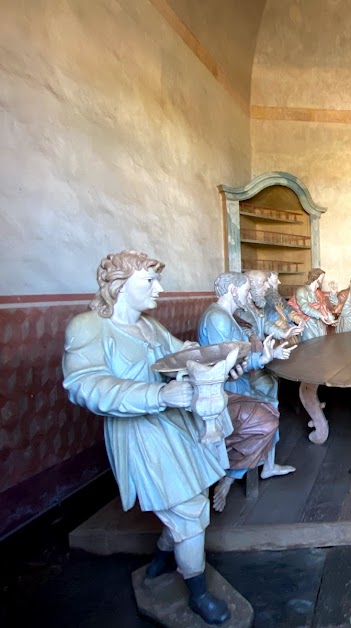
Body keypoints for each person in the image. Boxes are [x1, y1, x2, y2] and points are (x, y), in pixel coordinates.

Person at [62, 251, 233, 624]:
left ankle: (160, 561)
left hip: (174, 424)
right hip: (139, 432)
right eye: (150, 281)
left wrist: (217, 359)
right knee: (187, 508)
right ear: (120, 285)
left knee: (189, 498)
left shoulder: (149, 326)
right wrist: (158, 395)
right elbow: (85, 385)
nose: (159, 289)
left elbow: (180, 352)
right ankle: (199, 595)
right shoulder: (89, 327)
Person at [198, 272, 296, 512]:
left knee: (271, 406)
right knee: (266, 414)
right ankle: (230, 476)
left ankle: (255, 468)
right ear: (233, 290)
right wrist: (260, 359)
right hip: (225, 390)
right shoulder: (217, 318)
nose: (248, 294)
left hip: (238, 383)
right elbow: (229, 365)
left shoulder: (226, 316)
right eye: (245, 290)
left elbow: (240, 356)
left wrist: (266, 355)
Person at [237, 270, 303, 347]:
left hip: (274, 338)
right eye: (263, 282)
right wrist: (282, 331)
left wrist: (295, 318)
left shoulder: (258, 302)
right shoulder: (243, 308)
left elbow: (265, 324)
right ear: (251, 285)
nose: (267, 286)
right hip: (261, 345)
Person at [288, 268, 339, 340]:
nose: (322, 280)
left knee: (321, 342)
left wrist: (331, 319)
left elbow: (324, 308)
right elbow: (304, 307)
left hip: (320, 323)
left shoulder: (318, 293)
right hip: (308, 323)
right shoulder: (302, 290)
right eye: (322, 278)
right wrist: (320, 315)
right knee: (310, 343)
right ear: (316, 278)